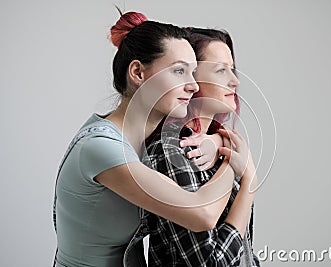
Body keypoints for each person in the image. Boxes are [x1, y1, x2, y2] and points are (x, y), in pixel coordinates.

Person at [52, 11, 239, 267]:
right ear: (138, 72)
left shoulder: (145, 140)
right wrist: (235, 163)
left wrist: (218, 141)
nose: (193, 85)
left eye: (193, 72)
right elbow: (201, 214)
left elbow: (200, 129)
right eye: (179, 71)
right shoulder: (100, 148)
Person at [140, 28, 260, 266]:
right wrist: (250, 183)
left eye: (232, 69)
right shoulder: (173, 151)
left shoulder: (220, 144)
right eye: (220, 70)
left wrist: (220, 142)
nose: (235, 81)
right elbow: (210, 263)